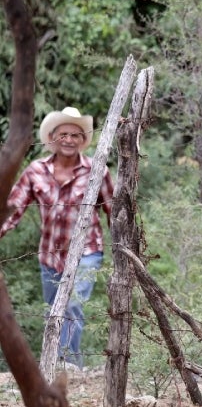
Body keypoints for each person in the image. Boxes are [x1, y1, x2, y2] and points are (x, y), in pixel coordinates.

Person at [0, 106, 114, 369]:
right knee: (52, 313)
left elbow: (114, 209)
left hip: (87, 251)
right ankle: (52, 367)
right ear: (52, 137)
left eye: (75, 135)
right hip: (49, 255)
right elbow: (13, 209)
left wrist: (125, 249)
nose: (69, 140)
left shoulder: (97, 171)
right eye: (63, 134)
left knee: (73, 305)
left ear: (82, 140)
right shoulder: (36, 171)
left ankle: (70, 366)